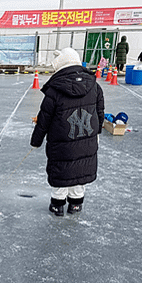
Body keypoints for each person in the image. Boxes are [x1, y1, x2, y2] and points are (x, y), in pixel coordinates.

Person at [30, 48, 105, 216]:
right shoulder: (95, 86)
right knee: (81, 170)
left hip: (61, 140)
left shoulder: (54, 90)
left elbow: (44, 119)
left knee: (61, 171)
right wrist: (96, 133)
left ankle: (57, 205)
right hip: (87, 137)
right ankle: (76, 204)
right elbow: (100, 112)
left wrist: (36, 140)